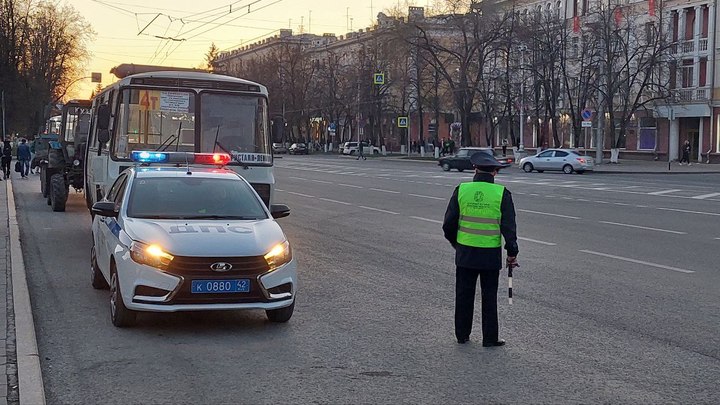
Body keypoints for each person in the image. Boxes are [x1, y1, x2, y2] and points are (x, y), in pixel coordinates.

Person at [442, 152, 519, 347]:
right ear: (495, 172)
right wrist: (512, 253)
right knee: (489, 297)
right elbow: (509, 229)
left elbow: (448, 224)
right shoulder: (502, 194)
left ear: (475, 169)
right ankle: (490, 338)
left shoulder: (461, 190)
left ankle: (462, 335)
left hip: (466, 253)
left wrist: (457, 244)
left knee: (463, 295)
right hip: (489, 255)